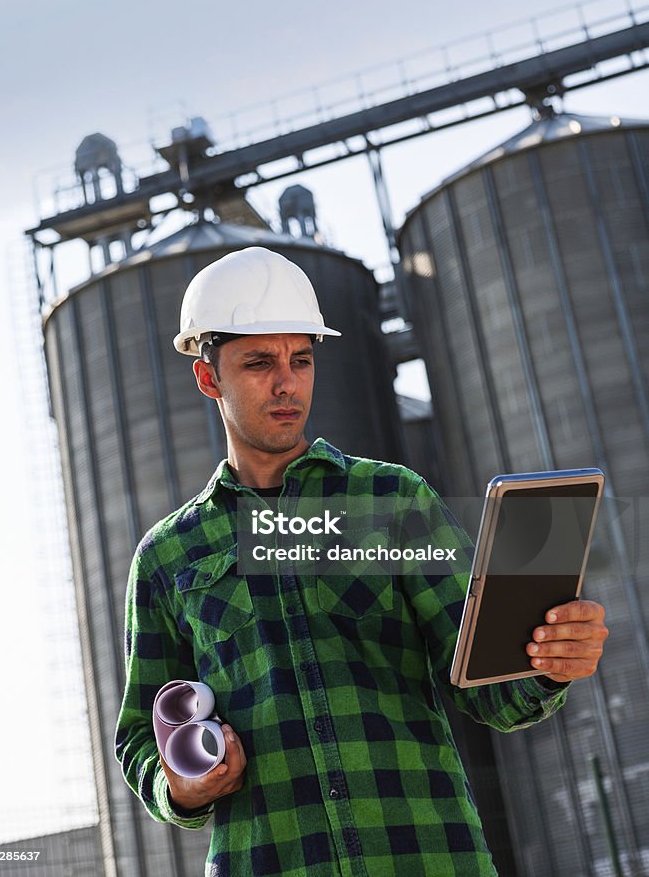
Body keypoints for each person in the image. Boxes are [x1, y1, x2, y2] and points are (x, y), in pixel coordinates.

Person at [115, 246, 608, 877]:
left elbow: (494, 692)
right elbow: (138, 738)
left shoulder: (391, 500)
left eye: (302, 359)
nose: (287, 382)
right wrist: (179, 787)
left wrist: (548, 661)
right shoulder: (168, 556)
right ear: (209, 379)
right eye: (259, 363)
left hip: (427, 858)